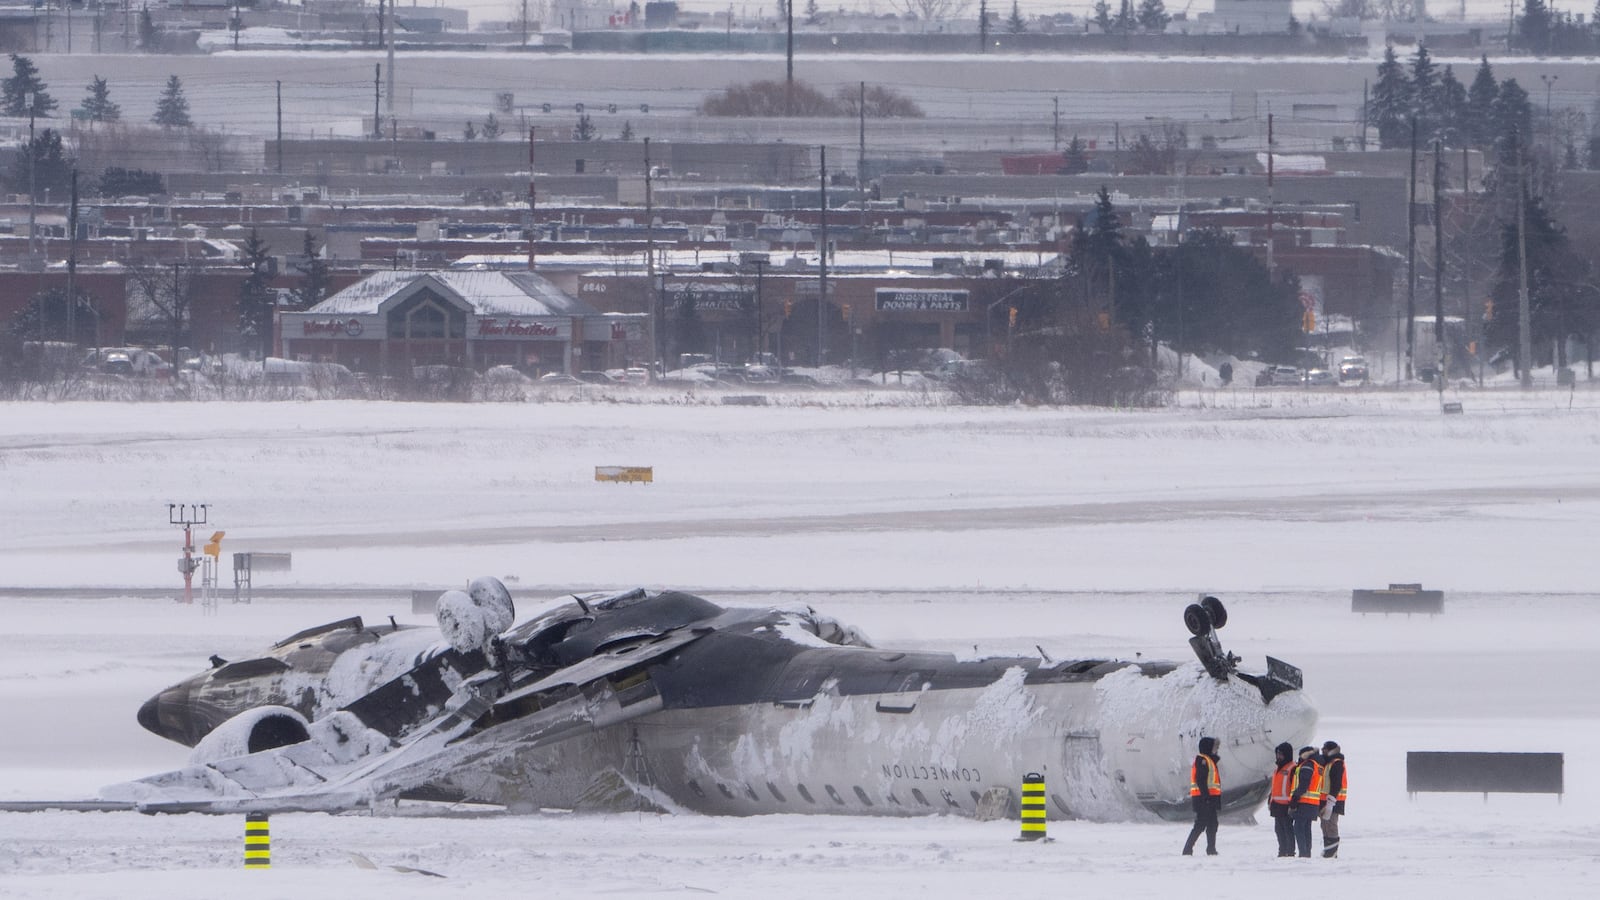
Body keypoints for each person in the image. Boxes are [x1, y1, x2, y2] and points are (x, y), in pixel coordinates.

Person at [1181, 736, 1222, 856]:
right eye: (1214, 747)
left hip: (1209, 799)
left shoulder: (1209, 760)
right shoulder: (1202, 760)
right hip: (1204, 799)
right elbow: (1201, 780)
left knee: (1212, 824)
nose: (1216, 750)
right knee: (1200, 824)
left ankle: (1211, 849)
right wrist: (1206, 797)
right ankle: (1188, 849)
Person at [1288, 745, 1324, 858]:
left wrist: (1295, 798)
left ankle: (1303, 853)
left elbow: (1304, 784)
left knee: (1299, 828)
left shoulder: (1307, 765)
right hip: (1313, 803)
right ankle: (1306, 853)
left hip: (1304, 802)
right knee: (1306, 829)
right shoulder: (1317, 765)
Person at [1319, 740, 1347, 858]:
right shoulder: (1327, 763)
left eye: (1324, 749)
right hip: (1325, 801)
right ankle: (1328, 850)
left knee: (1331, 826)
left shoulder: (1337, 763)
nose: (1322, 751)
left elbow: (1336, 784)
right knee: (1325, 826)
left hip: (1334, 801)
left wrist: (1330, 802)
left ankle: (1332, 852)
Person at [1268, 741, 1296, 857]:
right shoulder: (1277, 769)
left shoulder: (1292, 768)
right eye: (1277, 754)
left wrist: (1293, 803)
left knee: (1287, 830)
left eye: (1281, 754)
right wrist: (1270, 799)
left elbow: (1294, 787)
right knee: (1278, 830)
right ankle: (1282, 851)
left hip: (1286, 805)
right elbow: (1275, 787)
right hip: (1276, 804)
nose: (1278, 756)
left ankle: (1290, 852)